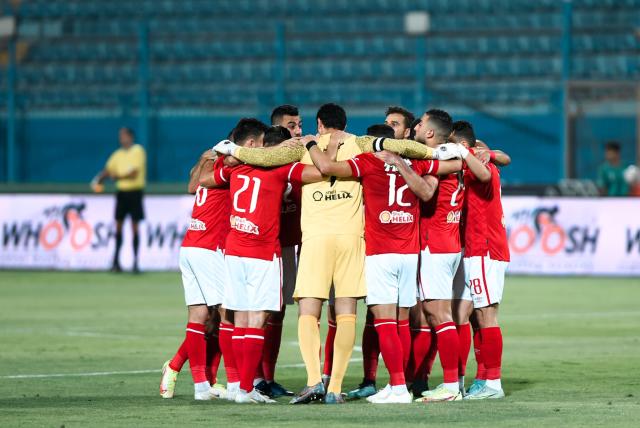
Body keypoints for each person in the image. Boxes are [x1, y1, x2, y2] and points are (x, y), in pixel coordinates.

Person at [304, 124, 462, 404]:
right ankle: (395, 383)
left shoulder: (366, 162)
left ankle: (399, 388)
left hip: (381, 252)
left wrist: (312, 144)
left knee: (384, 320)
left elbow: (327, 167)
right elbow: (453, 166)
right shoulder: (415, 161)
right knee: (401, 321)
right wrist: (477, 153)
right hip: (409, 252)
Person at [159, 149, 231, 401]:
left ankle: (200, 380)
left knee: (202, 316)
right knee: (226, 313)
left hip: (192, 245)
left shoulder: (208, 163)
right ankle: (231, 383)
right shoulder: (229, 166)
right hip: (208, 248)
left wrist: (203, 157)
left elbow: (192, 183)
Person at [454, 121, 510, 400]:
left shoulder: (478, 162)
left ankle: (494, 383)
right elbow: (501, 156)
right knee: (468, 314)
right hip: (474, 249)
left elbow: (489, 168)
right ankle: (474, 378)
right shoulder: (477, 158)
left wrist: (483, 154)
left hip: (485, 249)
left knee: (487, 315)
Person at [94, 127, 146, 273]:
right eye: (120, 136)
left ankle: (135, 263)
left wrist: (117, 176)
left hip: (135, 193)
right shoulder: (117, 154)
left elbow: (134, 173)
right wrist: (99, 179)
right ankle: (116, 262)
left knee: (134, 227)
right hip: (122, 194)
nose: (122, 139)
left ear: (130, 136)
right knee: (118, 226)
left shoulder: (138, 150)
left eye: (124, 136)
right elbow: (108, 170)